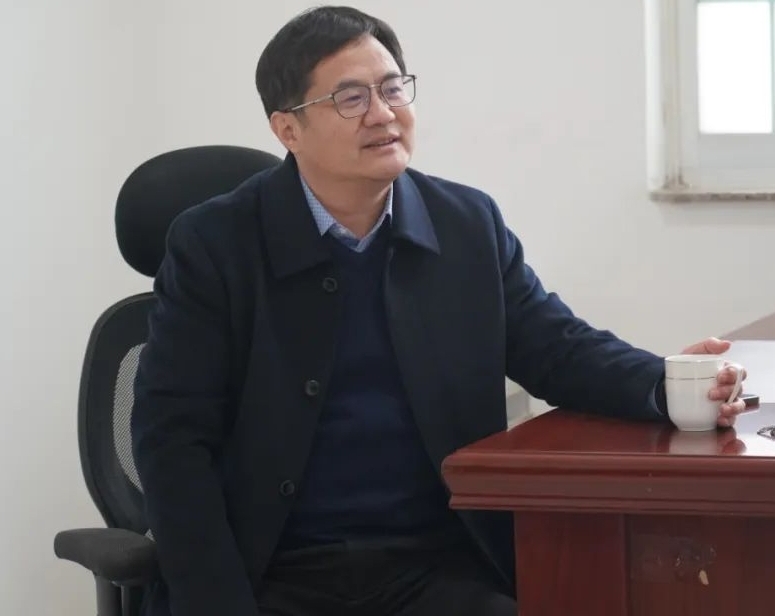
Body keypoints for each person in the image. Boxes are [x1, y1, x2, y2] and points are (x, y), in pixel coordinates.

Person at [131, 6, 747, 616]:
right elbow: (172, 442)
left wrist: (665, 382)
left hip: (436, 565)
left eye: (392, 88)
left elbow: (557, 348)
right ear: (288, 129)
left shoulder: (466, 224)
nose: (383, 113)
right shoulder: (214, 245)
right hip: (271, 572)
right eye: (351, 98)